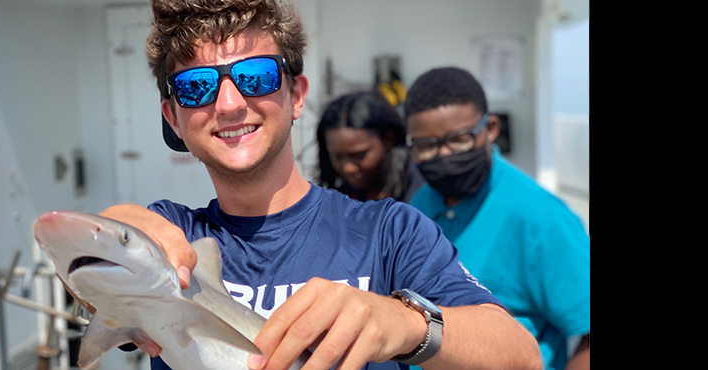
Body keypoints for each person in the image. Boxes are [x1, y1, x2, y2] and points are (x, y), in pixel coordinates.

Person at [74, 1, 542, 369]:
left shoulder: (390, 231)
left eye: (256, 77)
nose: (230, 103)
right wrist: (117, 228)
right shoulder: (173, 240)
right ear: (173, 118)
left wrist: (403, 323)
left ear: (296, 96)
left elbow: (521, 354)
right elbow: (80, 264)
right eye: (196, 86)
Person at [403, 66, 590, 370]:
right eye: (427, 146)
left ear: (490, 128)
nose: (445, 155)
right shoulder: (420, 204)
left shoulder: (542, 217)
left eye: (459, 139)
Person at [315, 91, 425, 203]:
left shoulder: (422, 193)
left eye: (358, 155)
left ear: (388, 139)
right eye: (338, 156)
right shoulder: (337, 201)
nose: (348, 168)